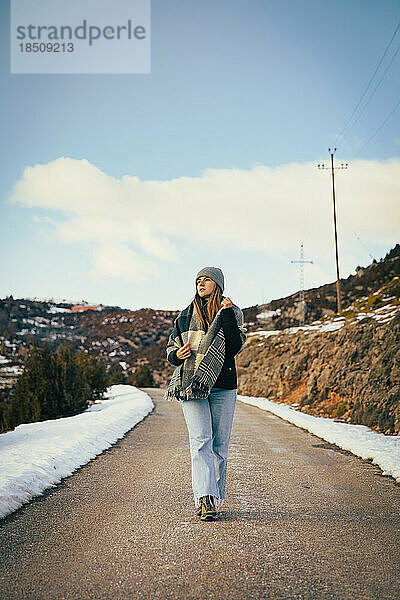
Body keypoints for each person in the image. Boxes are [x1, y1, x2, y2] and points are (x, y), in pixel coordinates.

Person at [164, 266, 247, 521]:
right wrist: (176, 355)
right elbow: (171, 347)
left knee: (219, 445)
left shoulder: (232, 312)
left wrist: (226, 316)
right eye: (198, 280)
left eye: (207, 279)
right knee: (201, 441)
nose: (201, 283)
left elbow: (234, 346)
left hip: (223, 386)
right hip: (191, 383)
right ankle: (204, 499)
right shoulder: (185, 316)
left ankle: (216, 495)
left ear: (218, 284)